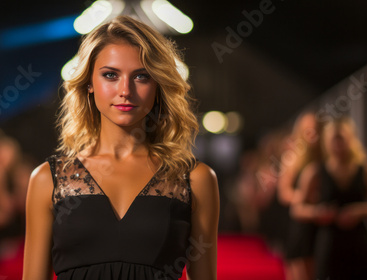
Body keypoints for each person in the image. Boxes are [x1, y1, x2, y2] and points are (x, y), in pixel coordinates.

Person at [22, 15, 220, 280]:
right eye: (111, 75)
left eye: (141, 76)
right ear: (89, 83)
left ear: (158, 85)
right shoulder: (47, 180)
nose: (125, 90)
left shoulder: (196, 180)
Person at [292, 117, 367, 279]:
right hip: (328, 240)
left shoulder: (365, 171)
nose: (338, 147)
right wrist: (318, 213)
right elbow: (297, 209)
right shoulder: (315, 172)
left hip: (358, 240)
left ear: (351, 139)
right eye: (334, 141)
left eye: (341, 140)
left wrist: (359, 211)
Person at [277, 111, 321, 280]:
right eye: (307, 130)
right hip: (299, 223)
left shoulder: (323, 156)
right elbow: (284, 193)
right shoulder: (292, 158)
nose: (312, 134)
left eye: (315, 129)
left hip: (320, 222)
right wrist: (306, 199)